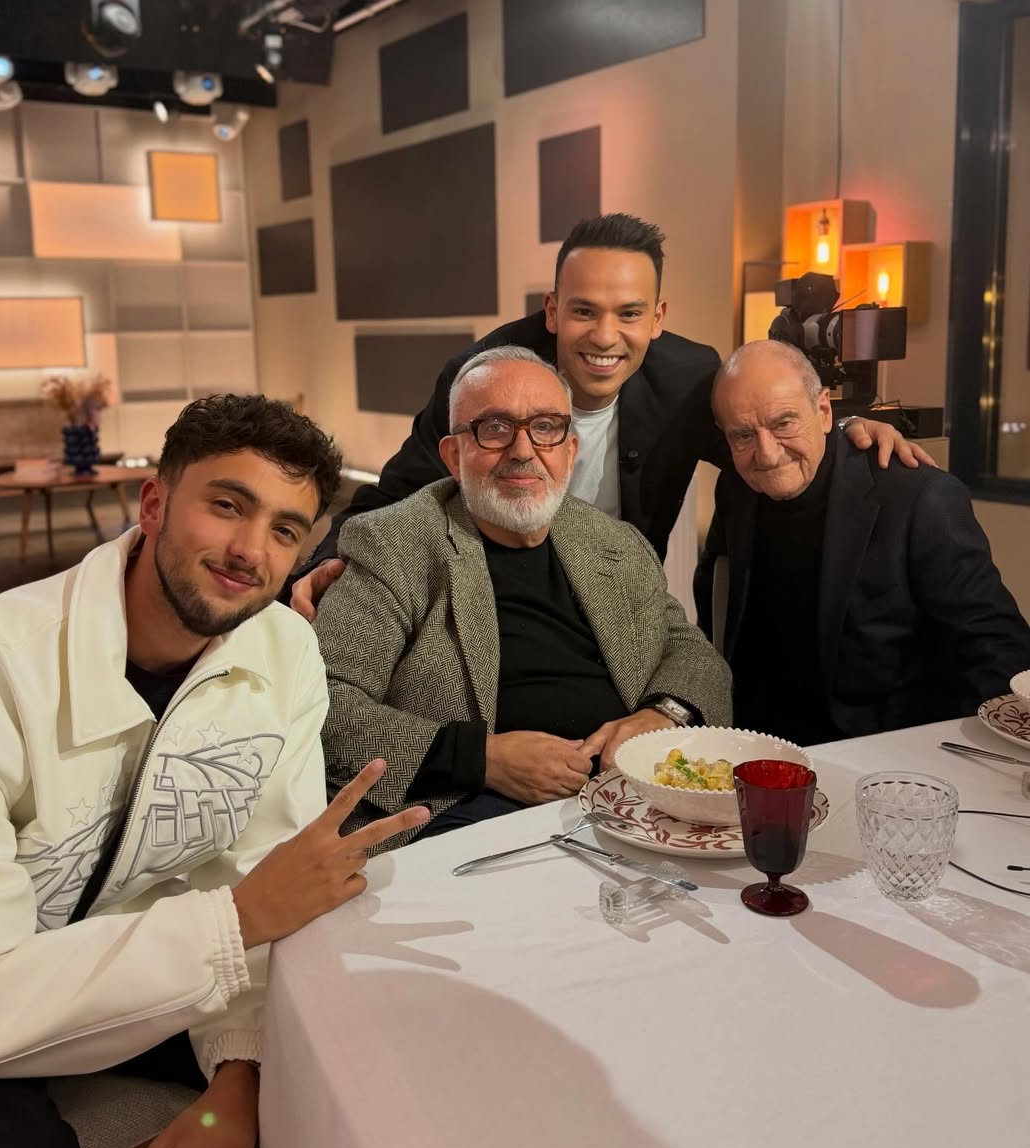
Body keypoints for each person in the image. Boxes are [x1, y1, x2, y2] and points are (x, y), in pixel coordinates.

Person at [0, 395, 428, 1148]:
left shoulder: (285, 654)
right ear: (153, 504)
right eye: (227, 505)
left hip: (151, 977)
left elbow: (259, 879)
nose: (249, 550)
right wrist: (230, 924)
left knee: (379, 1070)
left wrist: (241, 1077)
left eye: (284, 530)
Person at [290, 213, 932, 619]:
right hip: (495, 601)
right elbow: (398, 493)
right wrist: (325, 561)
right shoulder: (485, 376)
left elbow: (758, 442)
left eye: (628, 313)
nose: (604, 336)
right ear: (551, 310)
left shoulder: (688, 379)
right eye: (583, 311)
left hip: (620, 603)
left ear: (657, 317)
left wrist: (842, 428)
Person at [314, 347, 732, 847]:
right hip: (463, 813)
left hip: (629, 799)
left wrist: (662, 715)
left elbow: (692, 654)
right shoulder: (394, 544)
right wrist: (482, 759)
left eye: (545, 427)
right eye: (494, 428)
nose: (522, 450)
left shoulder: (617, 544)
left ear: (570, 451)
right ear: (453, 455)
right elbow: (323, 704)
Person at [694, 340, 1030, 745]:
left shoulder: (918, 497)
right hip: (756, 742)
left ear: (823, 411)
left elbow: (997, 649)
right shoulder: (736, 487)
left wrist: (968, 758)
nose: (766, 454)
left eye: (784, 423)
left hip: (883, 751)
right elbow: (718, 598)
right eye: (744, 435)